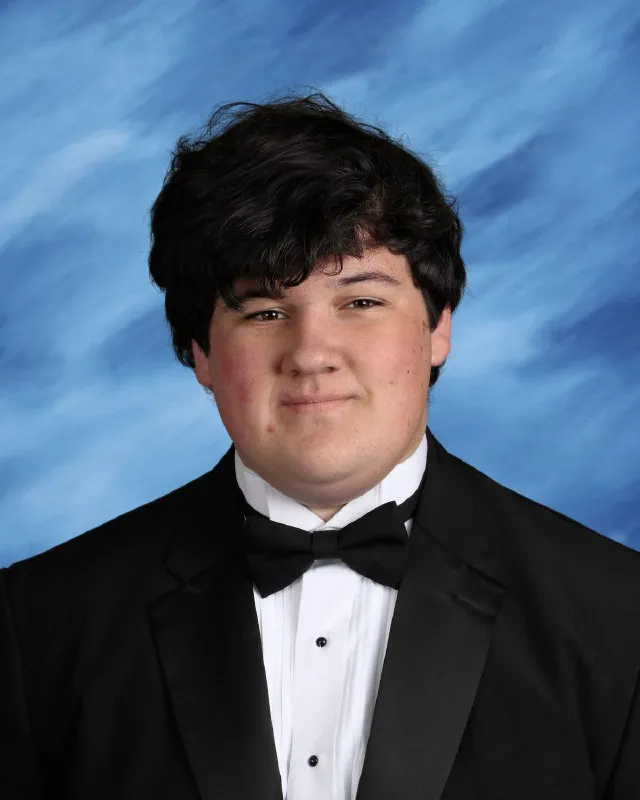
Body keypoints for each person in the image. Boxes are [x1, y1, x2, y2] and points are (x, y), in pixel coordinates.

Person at [1, 89, 639, 800]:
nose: (311, 352)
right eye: (266, 310)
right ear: (201, 354)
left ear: (437, 330)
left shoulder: (620, 618)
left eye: (360, 302)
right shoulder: (39, 625)